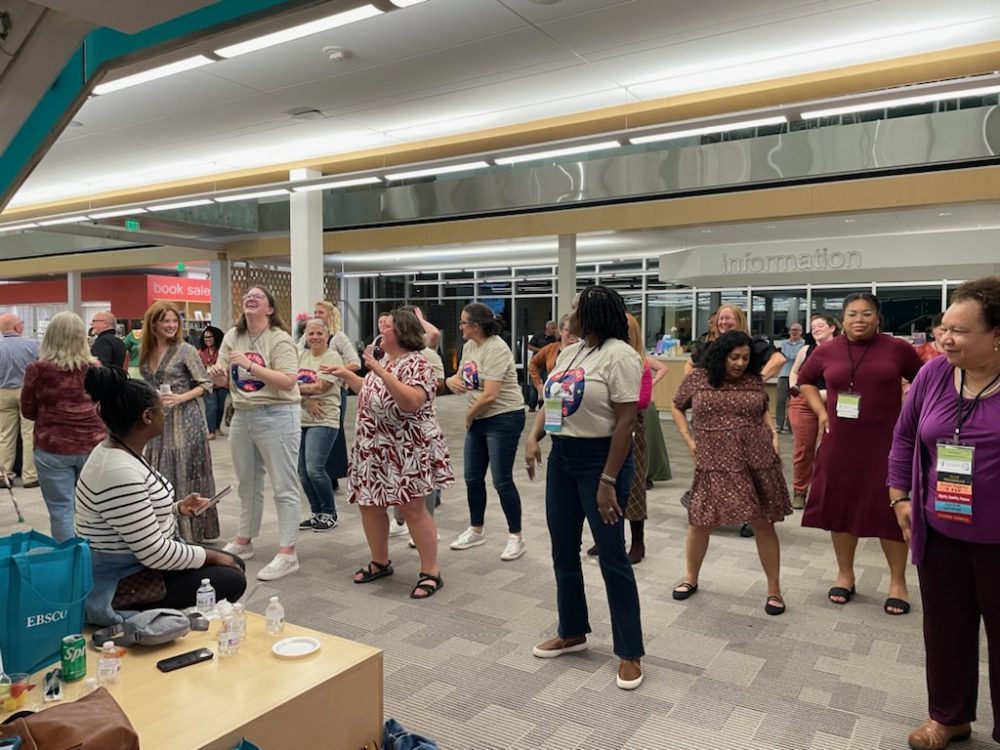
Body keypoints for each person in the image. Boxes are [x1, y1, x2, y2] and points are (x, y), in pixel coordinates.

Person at [887, 276, 1000, 750]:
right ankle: (949, 717)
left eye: (959, 331)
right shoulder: (934, 374)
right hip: (941, 528)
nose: (945, 339)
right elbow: (905, 436)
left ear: (997, 335)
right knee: (945, 629)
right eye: (942, 329)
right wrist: (900, 497)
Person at [525, 285, 644, 690]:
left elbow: (627, 421)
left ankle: (630, 652)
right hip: (563, 458)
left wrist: (608, 480)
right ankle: (572, 630)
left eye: (575, 308)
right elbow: (552, 401)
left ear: (592, 314)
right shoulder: (571, 351)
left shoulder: (621, 356)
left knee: (612, 556)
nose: (568, 314)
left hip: (601, 461)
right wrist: (534, 436)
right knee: (563, 549)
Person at [76, 366, 246, 626]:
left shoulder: (121, 451)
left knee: (231, 564)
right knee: (231, 576)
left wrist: (178, 508)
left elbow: (136, 511)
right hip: (123, 577)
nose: (164, 415)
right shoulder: (118, 470)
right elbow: (153, 553)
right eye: (161, 410)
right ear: (147, 416)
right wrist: (208, 555)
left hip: (140, 562)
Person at [797, 292, 923, 613]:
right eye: (852, 314)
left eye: (867, 314)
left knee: (888, 509)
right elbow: (805, 380)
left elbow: (923, 382)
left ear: (878, 317)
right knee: (840, 507)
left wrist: (914, 417)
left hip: (886, 443)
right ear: (843, 318)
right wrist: (822, 412)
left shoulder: (897, 349)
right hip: (840, 443)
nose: (859, 320)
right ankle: (845, 574)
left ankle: (898, 582)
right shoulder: (827, 351)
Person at [324, 309, 453, 599]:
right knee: (369, 504)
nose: (381, 329)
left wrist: (379, 371)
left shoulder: (417, 363)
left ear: (402, 332)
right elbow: (372, 392)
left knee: (412, 509)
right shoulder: (384, 360)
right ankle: (380, 561)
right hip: (374, 447)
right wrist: (348, 375)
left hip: (406, 448)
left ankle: (431, 571)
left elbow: (411, 402)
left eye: (388, 326)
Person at [671, 329, 791, 612]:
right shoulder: (699, 378)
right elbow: (677, 406)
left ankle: (774, 589)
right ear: (720, 355)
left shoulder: (753, 380)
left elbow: (763, 410)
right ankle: (691, 577)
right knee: (701, 520)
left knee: (762, 521)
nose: (739, 363)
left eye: (745, 358)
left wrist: (774, 435)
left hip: (754, 457)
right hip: (713, 459)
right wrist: (688, 438)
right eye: (734, 357)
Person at [208, 285, 303, 582]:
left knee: (284, 485)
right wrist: (219, 376)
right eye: (247, 296)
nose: (251, 298)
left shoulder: (280, 339)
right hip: (243, 415)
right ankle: (244, 541)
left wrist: (250, 365)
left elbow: (288, 381)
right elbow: (225, 376)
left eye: (258, 296)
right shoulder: (234, 336)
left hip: (278, 414)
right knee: (246, 483)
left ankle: (288, 553)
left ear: (270, 309)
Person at [683, 303, 784, 536]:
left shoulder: (752, 344)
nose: (724, 322)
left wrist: (756, 380)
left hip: (745, 415)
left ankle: (751, 516)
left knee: (747, 466)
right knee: (712, 465)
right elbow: (690, 364)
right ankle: (716, 509)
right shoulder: (708, 344)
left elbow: (778, 360)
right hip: (711, 417)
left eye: (729, 319)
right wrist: (698, 388)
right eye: (721, 319)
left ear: (739, 320)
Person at [446, 302, 526, 560]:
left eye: (463, 322)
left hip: (504, 418)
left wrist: (469, 415)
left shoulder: (496, 349)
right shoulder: (470, 346)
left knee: (501, 480)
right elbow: (457, 378)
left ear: (476, 326)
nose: (460, 327)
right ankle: (476, 529)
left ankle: (516, 537)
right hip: (479, 418)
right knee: (472, 477)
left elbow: (490, 394)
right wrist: (450, 381)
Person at [19, 312, 106, 541]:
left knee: (60, 510)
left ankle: (70, 561)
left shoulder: (38, 369)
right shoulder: (95, 367)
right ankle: (94, 556)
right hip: (94, 446)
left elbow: (27, 410)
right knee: (93, 509)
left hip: (52, 448)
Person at [139, 301, 217, 543]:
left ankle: (191, 531)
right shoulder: (145, 352)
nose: (171, 325)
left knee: (185, 470)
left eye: (175, 321)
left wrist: (180, 397)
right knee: (159, 471)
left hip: (185, 420)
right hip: (157, 419)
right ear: (153, 324)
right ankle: (163, 529)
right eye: (166, 321)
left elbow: (206, 384)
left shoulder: (185, 350)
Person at [787, 315, 841, 509]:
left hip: (834, 405)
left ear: (832, 328)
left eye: (820, 325)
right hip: (803, 405)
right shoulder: (806, 350)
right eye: (813, 327)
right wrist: (797, 387)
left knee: (831, 450)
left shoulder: (843, 350)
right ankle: (800, 491)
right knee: (804, 449)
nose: (816, 329)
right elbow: (794, 372)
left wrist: (822, 394)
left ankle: (827, 492)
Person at [296, 318, 344, 532]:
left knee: (315, 469)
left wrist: (296, 389)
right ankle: (317, 513)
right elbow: (287, 384)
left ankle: (329, 512)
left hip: (324, 419)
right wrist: (306, 399)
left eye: (319, 333)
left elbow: (322, 386)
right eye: (311, 333)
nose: (315, 337)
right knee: (302, 472)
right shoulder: (301, 356)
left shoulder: (333, 357)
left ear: (327, 335)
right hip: (302, 418)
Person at [310, 301, 361, 491]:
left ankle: (331, 476)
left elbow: (355, 362)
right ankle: (317, 473)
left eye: (320, 312)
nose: (316, 315)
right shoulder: (308, 337)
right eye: (315, 312)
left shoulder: (338, 337)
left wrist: (335, 370)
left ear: (330, 315)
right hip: (311, 390)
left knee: (331, 432)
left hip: (334, 391)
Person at [0, 313, 40, 488]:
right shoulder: (33, 345)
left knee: (5, 436)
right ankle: (30, 476)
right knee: (29, 434)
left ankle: (4, 475)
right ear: (17, 327)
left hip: (2, 392)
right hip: (27, 392)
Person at [528, 315, 576, 401]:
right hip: (554, 398)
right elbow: (533, 364)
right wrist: (538, 385)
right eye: (567, 330)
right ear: (560, 331)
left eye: (575, 330)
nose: (572, 333)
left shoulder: (584, 350)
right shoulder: (551, 348)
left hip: (576, 399)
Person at [197, 326, 227, 439]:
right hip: (207, 383)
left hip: (221, 383)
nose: (207, 339)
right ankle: (211, 431)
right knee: (211, 406)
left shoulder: (222, 352)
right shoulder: (200, 353)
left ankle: (217, 427)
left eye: (210, 337)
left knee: (220, 407)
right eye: (205, 337)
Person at [775, 322, 805, 432]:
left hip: (797, 376)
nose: (794, 332)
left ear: (801, 332)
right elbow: (788, 356)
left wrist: (791, 356)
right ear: (789, 331)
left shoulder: (804, 344)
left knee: (793, 401)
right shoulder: (783, 343)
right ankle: (779, 424)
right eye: (792, 330)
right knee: (780, 401)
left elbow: (791, 356)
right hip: (783, 375)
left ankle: (790, 425)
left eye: (797, 330)